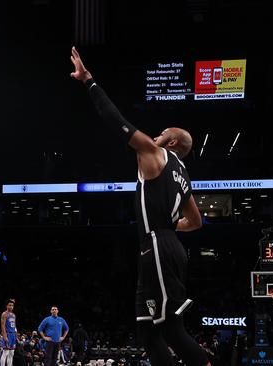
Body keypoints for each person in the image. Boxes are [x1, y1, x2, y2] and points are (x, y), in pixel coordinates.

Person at [69, 47, 209, 366]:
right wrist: (173, 229)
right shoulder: (183, 174)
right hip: (161, 243)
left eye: (162, 133)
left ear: (171, 142)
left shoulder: (156, 154)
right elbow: (196, 220)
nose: (156, 135)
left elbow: (115, 119)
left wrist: (88, 80)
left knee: (172, 330)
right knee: (147, 333)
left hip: (158, 243)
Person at [0, 299, 16, 366]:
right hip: (7, 334)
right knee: (5, 353)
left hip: (13, 335)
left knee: (11, 353)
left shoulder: (13, 315)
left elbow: (14, 326)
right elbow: (2, 326)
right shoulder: (4, 314)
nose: (11, 307)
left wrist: (16, 336)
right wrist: (5, 336)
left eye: (12, 305)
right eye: (10, 305)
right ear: (7, 306)